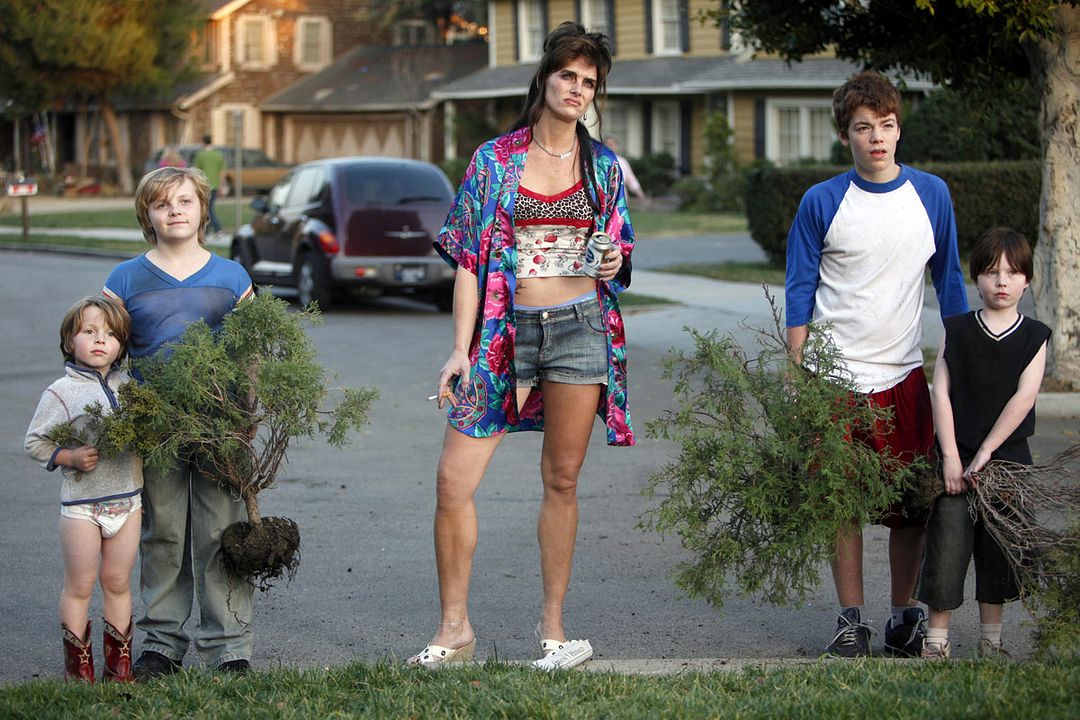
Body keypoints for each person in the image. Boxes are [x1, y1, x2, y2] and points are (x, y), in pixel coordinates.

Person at [407, 22, 634, 671]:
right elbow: (470, 261)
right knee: (453, 481)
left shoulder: (603, 168)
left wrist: (615, 259)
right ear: (546, 77)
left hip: (579, 326)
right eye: (569, 75)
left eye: (590, 82)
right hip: (504, 337)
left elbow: (616, 257)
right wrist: (460, 348)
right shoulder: (495, 159)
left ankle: (555, 631)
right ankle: (455, 630)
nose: (578, 89)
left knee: (561, 480)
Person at [785, 70, 969, 658]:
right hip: (835, 379)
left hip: (904, 376)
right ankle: (850, 620)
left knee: (910, 507)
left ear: (898, 128)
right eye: (863, 128)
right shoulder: (822, 202)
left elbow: (952, 283)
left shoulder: (931, 195)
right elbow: (799, 289)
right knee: (842, 505)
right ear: (846, 137)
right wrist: (796, 374)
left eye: (886, 125)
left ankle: (903, 618)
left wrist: (962, 365)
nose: (877, 137)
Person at [103, 166, 254, 679]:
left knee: (222, 531)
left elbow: (250, 353)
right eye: (162, 203)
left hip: (220, 423)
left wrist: (249, 412)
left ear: (201, 210)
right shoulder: (124, 280)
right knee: (163, 531)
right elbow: (107, 355)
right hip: (156, 427)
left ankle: (229, 644)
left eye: (185, 201)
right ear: (146, 214)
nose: (175, 211)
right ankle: (161, 643)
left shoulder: (233, 277)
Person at [916, 228, 1051, 660]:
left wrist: (988, 453)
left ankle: (991, 641)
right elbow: (940, 392)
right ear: (977, 278)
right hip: (956, 462)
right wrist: (953, 457)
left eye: (1012, 273)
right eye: (992, 272)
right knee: (948, 542)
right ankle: (937, 639)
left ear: (1027, 280)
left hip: (1006, 462)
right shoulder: (957, 330)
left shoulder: (1035, 335)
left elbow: (1024, 397)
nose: (1002, 282)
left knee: (998, 549)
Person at [25, 295, 142, 682]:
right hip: (82, 507)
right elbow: (35, 442)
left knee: (118, 581)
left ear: (122, 344)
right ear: (69, 340)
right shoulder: (61, 392)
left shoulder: (133, 389)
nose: (99, 340)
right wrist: (69, 458)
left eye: (110, 335)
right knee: (80, 584)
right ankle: (79, 669)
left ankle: (120, 665)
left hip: (128, 502)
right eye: (89, 332)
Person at [193, 135, 225, 235]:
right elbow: (222, 172)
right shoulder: (218, 155)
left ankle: (217, 229)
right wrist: (222, 186)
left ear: (203, 142)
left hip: (204, 185)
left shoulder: (200, 155)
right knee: (208, 207)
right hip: (215, 185)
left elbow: (196, 171)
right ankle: (208, 229)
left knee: (207, 208)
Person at [604, 136, 646, 202]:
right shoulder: (597, 162)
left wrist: (640, 194)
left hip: (620, 199)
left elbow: (631, 180)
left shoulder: (622, 162)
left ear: (616, 146)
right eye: (607, 144)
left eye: (611, 144)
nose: (609, 147)